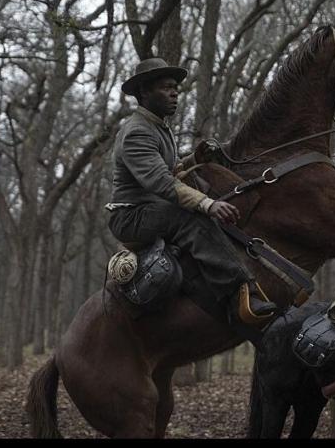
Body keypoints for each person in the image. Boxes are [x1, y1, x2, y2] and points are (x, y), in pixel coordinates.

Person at [106, 57, 277, 326]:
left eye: (176, 87)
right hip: (130, 217)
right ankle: (240, 294)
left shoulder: (158, 127)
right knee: (190, 218)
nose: (174, 93)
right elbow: (161, 182)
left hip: (152, 210)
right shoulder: (136, 132)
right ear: (144, 92)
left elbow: (170, 169)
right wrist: (207, 204)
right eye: (165, 87)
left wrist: (196, 158)